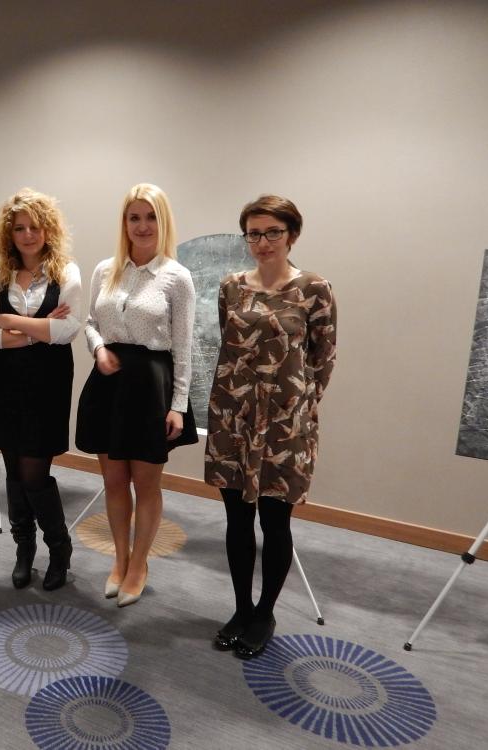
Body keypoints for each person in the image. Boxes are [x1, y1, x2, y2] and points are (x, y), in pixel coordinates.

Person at [205, 195, 337, 659]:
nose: (262, 242)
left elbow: (323, 359)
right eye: (254, 234)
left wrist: (293, 407)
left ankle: (265, 613)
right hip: (232, 417)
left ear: (292, 235)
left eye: (272, 232)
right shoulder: (231, 287)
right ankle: (242, 608)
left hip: (285, 423)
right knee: (237, 519)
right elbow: (229, 346)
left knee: (275, 521)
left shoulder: (315, 288)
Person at [75, 183, 198, 607]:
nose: (142, 226)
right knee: (113, 481)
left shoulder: (176, 277)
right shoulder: (105, 270)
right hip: (108, 385)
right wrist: (98, 348)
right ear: (124, 223)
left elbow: (184, 349)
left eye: (150, 217)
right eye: (134, 218)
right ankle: (120, 559)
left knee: (146, 485)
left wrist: (178, 407)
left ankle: (140, 564)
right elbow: (91, 322)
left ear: (163, 222)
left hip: (151, 388)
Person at [0, 188, 82, 591]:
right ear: (9, 233)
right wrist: (39, 330)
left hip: (48, 383)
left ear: (48, 229)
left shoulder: (66, 271)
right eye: (19, 228)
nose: (27, 235)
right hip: (7, 381)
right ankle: (25, 549)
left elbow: (67, 331)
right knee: (13, 469)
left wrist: (10, 321)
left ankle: (59, 547)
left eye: (35, 227)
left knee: (35, 473)